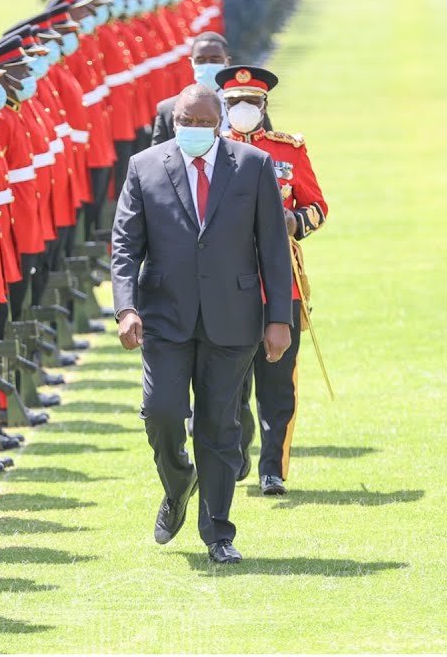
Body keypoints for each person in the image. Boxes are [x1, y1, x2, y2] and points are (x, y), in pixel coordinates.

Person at [111, 84, 293, 563]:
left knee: (218, 426)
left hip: (232, 320)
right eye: (184, 123)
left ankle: (218, 534)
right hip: (165, 318)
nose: (192, 130)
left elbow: (273, 246)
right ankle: (177, 484)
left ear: (220, 122)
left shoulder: (251, 166)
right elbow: (125, 246)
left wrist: (279, 318)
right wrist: (126, 308)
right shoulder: (145, 167)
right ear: (174, 123)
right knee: (162, 414)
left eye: (202, 123)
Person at [219, 65, 328, 497]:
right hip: (226, 284)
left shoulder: (289, 150)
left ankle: (273, 468)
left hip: (281, 282)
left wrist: (293, 219)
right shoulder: (212, 149)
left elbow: (318, 206)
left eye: (251, 102)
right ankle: (235, 450)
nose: (242, 110)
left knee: (278, 380)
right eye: (233, 103)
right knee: (230, 381)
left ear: (264, 106)